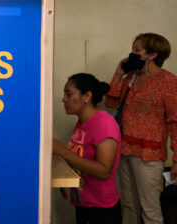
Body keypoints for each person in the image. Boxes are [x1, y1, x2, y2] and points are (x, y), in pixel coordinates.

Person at [104, 33, 177, 224]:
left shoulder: (169, 82)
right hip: (124, 150)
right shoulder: (131, 78)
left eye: (137, 50)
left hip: (149, 155)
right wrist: (119, 74)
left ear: (152, 54)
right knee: (128, 206)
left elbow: (175, 122)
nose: (132, 53)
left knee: (150, 210)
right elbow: (110, 102)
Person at [53, 73, 122, 224]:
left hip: (101, 209)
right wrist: (66, 183)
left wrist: (62, 151)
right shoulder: (82, 123)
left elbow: (104, 171)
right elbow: (79, 159)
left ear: (87, 96)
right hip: (84, 203)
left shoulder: (104, 124)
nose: (64, 99)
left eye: (69, 94)